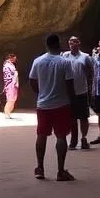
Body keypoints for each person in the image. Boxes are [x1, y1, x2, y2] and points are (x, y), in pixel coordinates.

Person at [29, 33, 76, 181]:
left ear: (47, 45)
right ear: (58, 44)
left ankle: (40, 168)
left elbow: (32, 81)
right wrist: (72, 102)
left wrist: (42, 93)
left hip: (43, 104)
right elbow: (70, 84)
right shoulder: (65, 62)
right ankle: (61, 171)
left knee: (41, 135)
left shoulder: (38, 61)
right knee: (61, 136)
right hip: (61, 104)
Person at [62, 35, 94, 150]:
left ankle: (84, 138)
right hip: (69, 92)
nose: (72, 43)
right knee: (72, 118)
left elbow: (90, 73)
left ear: (79, 43)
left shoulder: (85, 57)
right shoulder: (64, 56)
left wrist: (90, 88)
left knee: (84, 117)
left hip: (82, 91)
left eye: (74, 41)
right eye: (70, 41)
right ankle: (73, 140)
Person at [2, 52, 19, 118]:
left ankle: (8, 113)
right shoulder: (8, 65)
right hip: (10, 83)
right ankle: (7, 113)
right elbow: (13, 74)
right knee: (10, 99)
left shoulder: (8, 65)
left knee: (12, 99)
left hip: (11, 83)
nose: (15, 60)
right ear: (10, 58)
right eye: (14, 59)